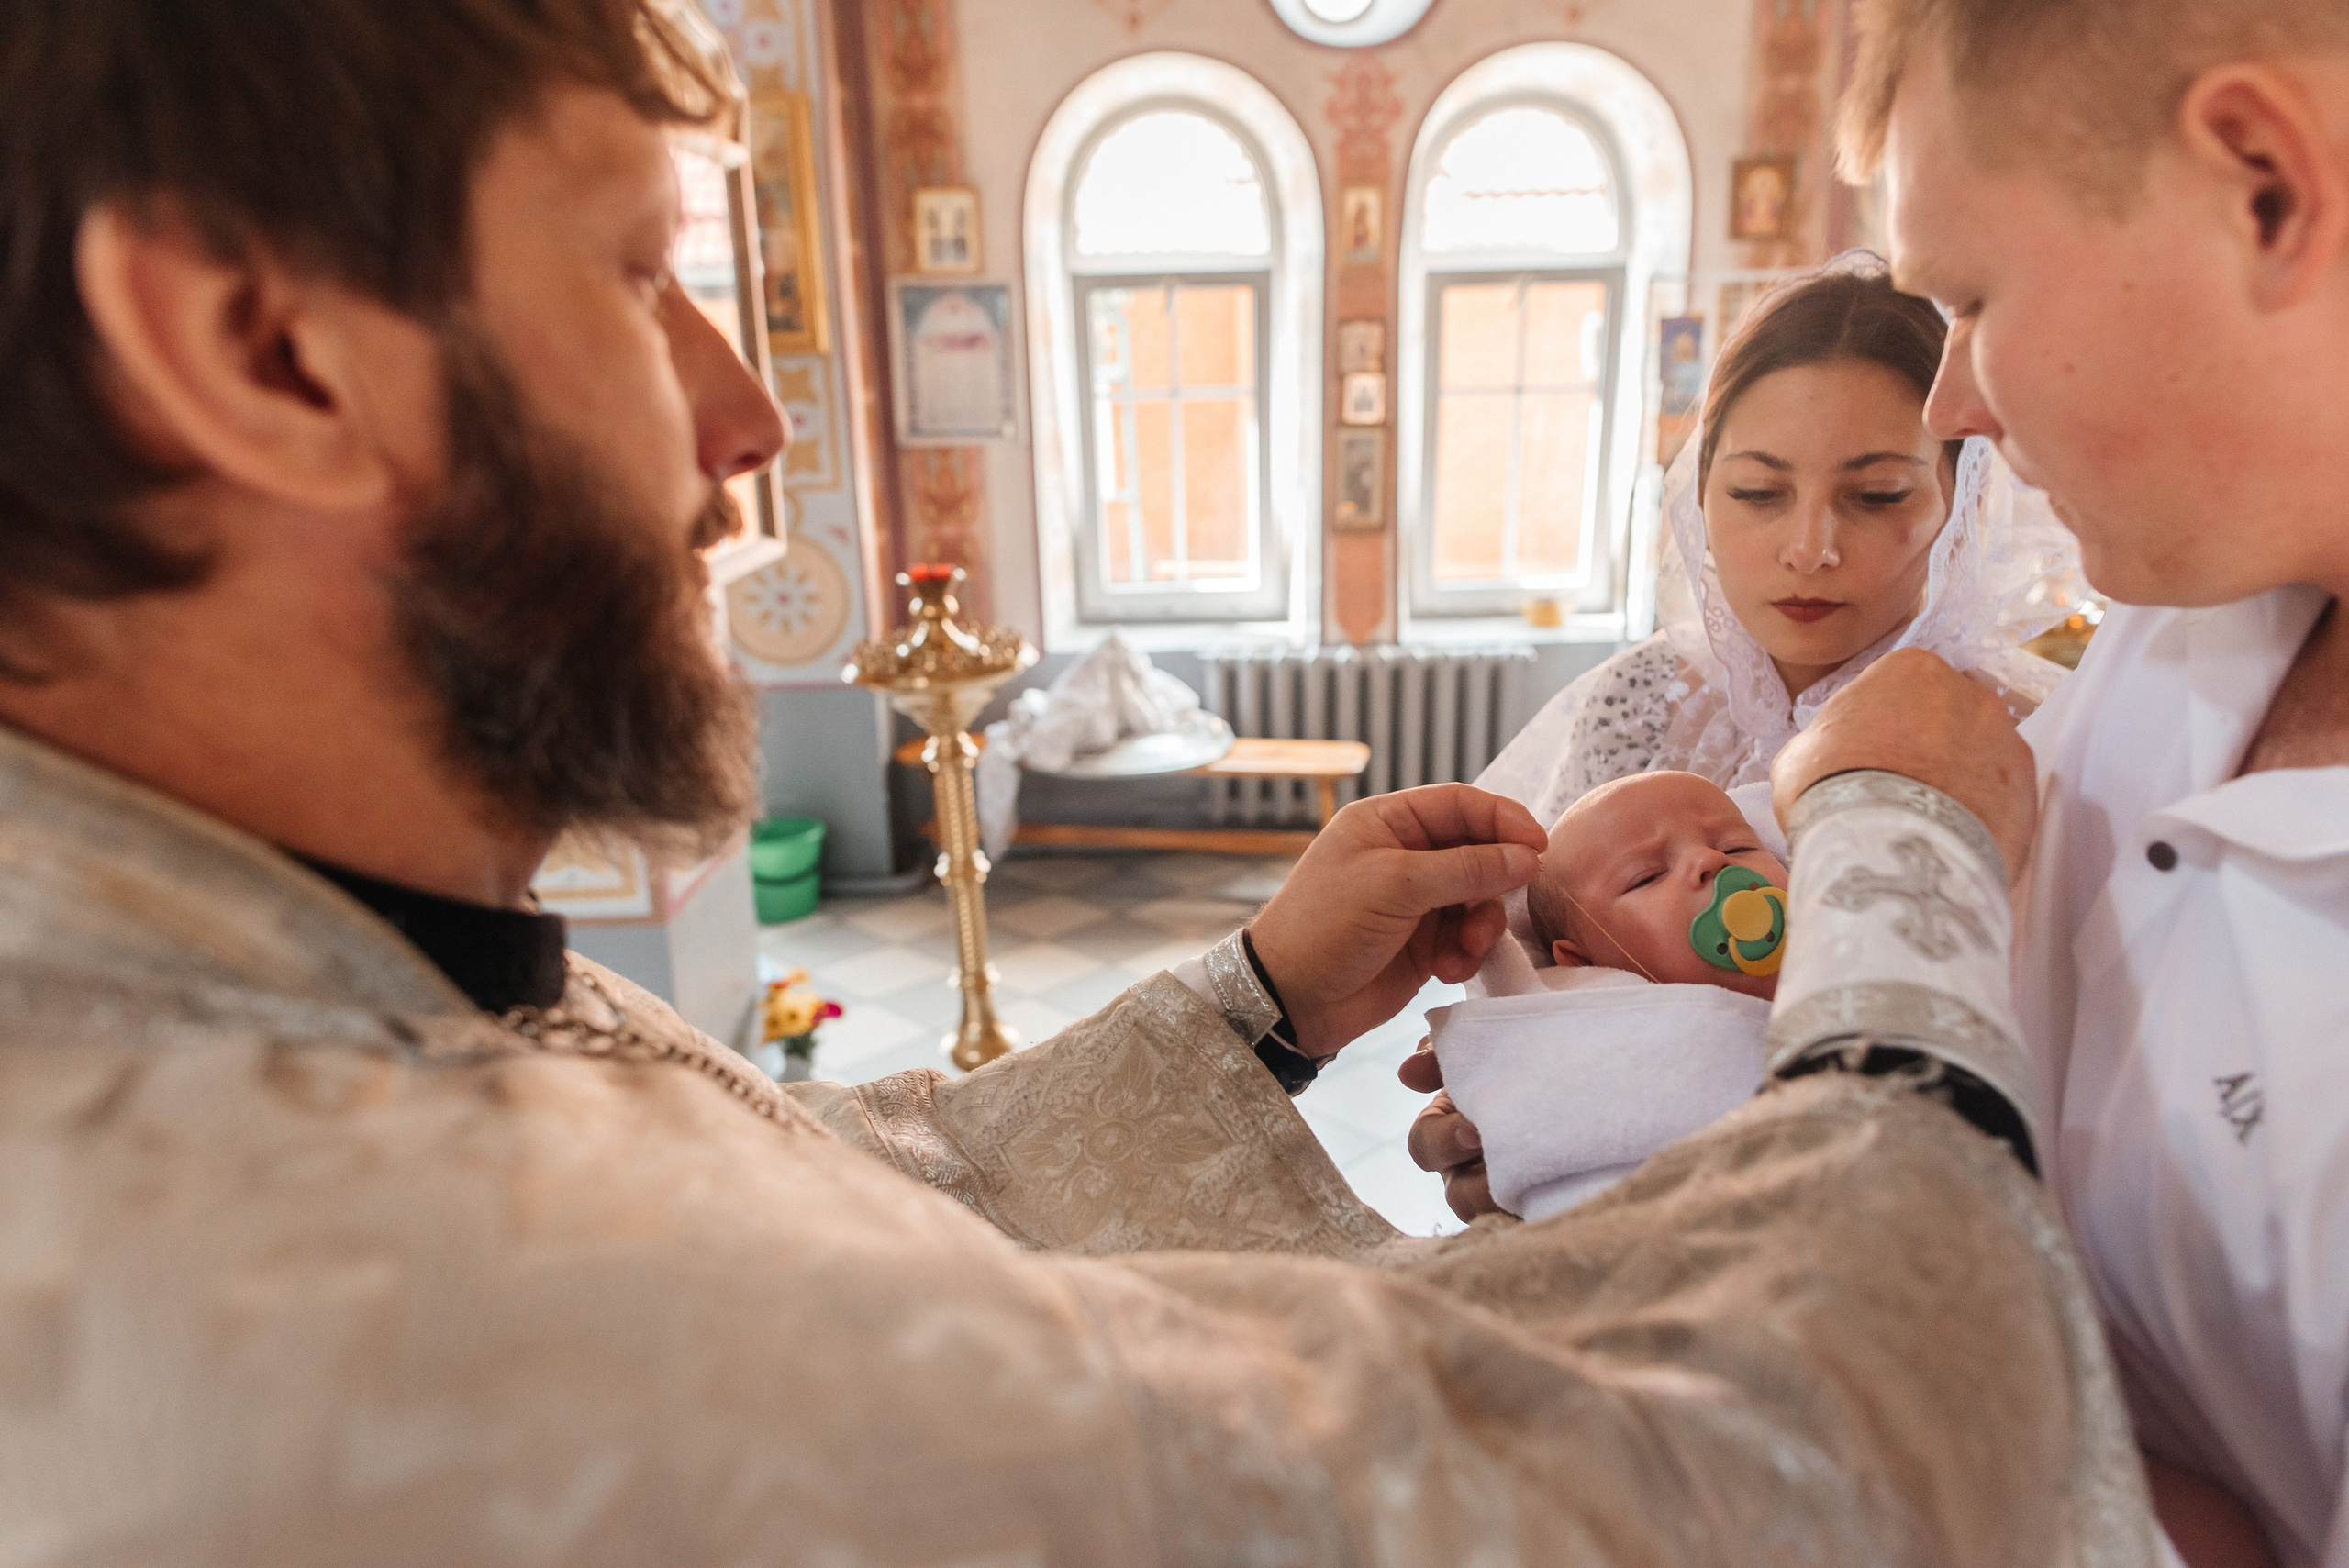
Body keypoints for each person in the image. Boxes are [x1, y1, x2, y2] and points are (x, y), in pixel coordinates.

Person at [0, 0, 2151, 1558]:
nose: (745, 416)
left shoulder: (288, 976)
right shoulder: (360, 1290)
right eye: (633, 268)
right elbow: (1782, 1478)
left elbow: (833, 1183)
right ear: (264, 352)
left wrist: (1250, 1006)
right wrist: (1898, 856)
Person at [1425, 1, 2349, 1563]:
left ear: (2262, 182)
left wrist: (1887, 844)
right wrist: (1588, 1112)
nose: (1953, 411)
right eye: (1760, 490)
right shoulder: (2181, 625)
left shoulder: (1993, 704)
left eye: (1974, 298)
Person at [1431, 771, 1788, 1221]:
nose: (1711, 860)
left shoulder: (1852, 947)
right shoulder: (1591, 1034)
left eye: (1738, 847)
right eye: (1647, 876)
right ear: (1582, 962)